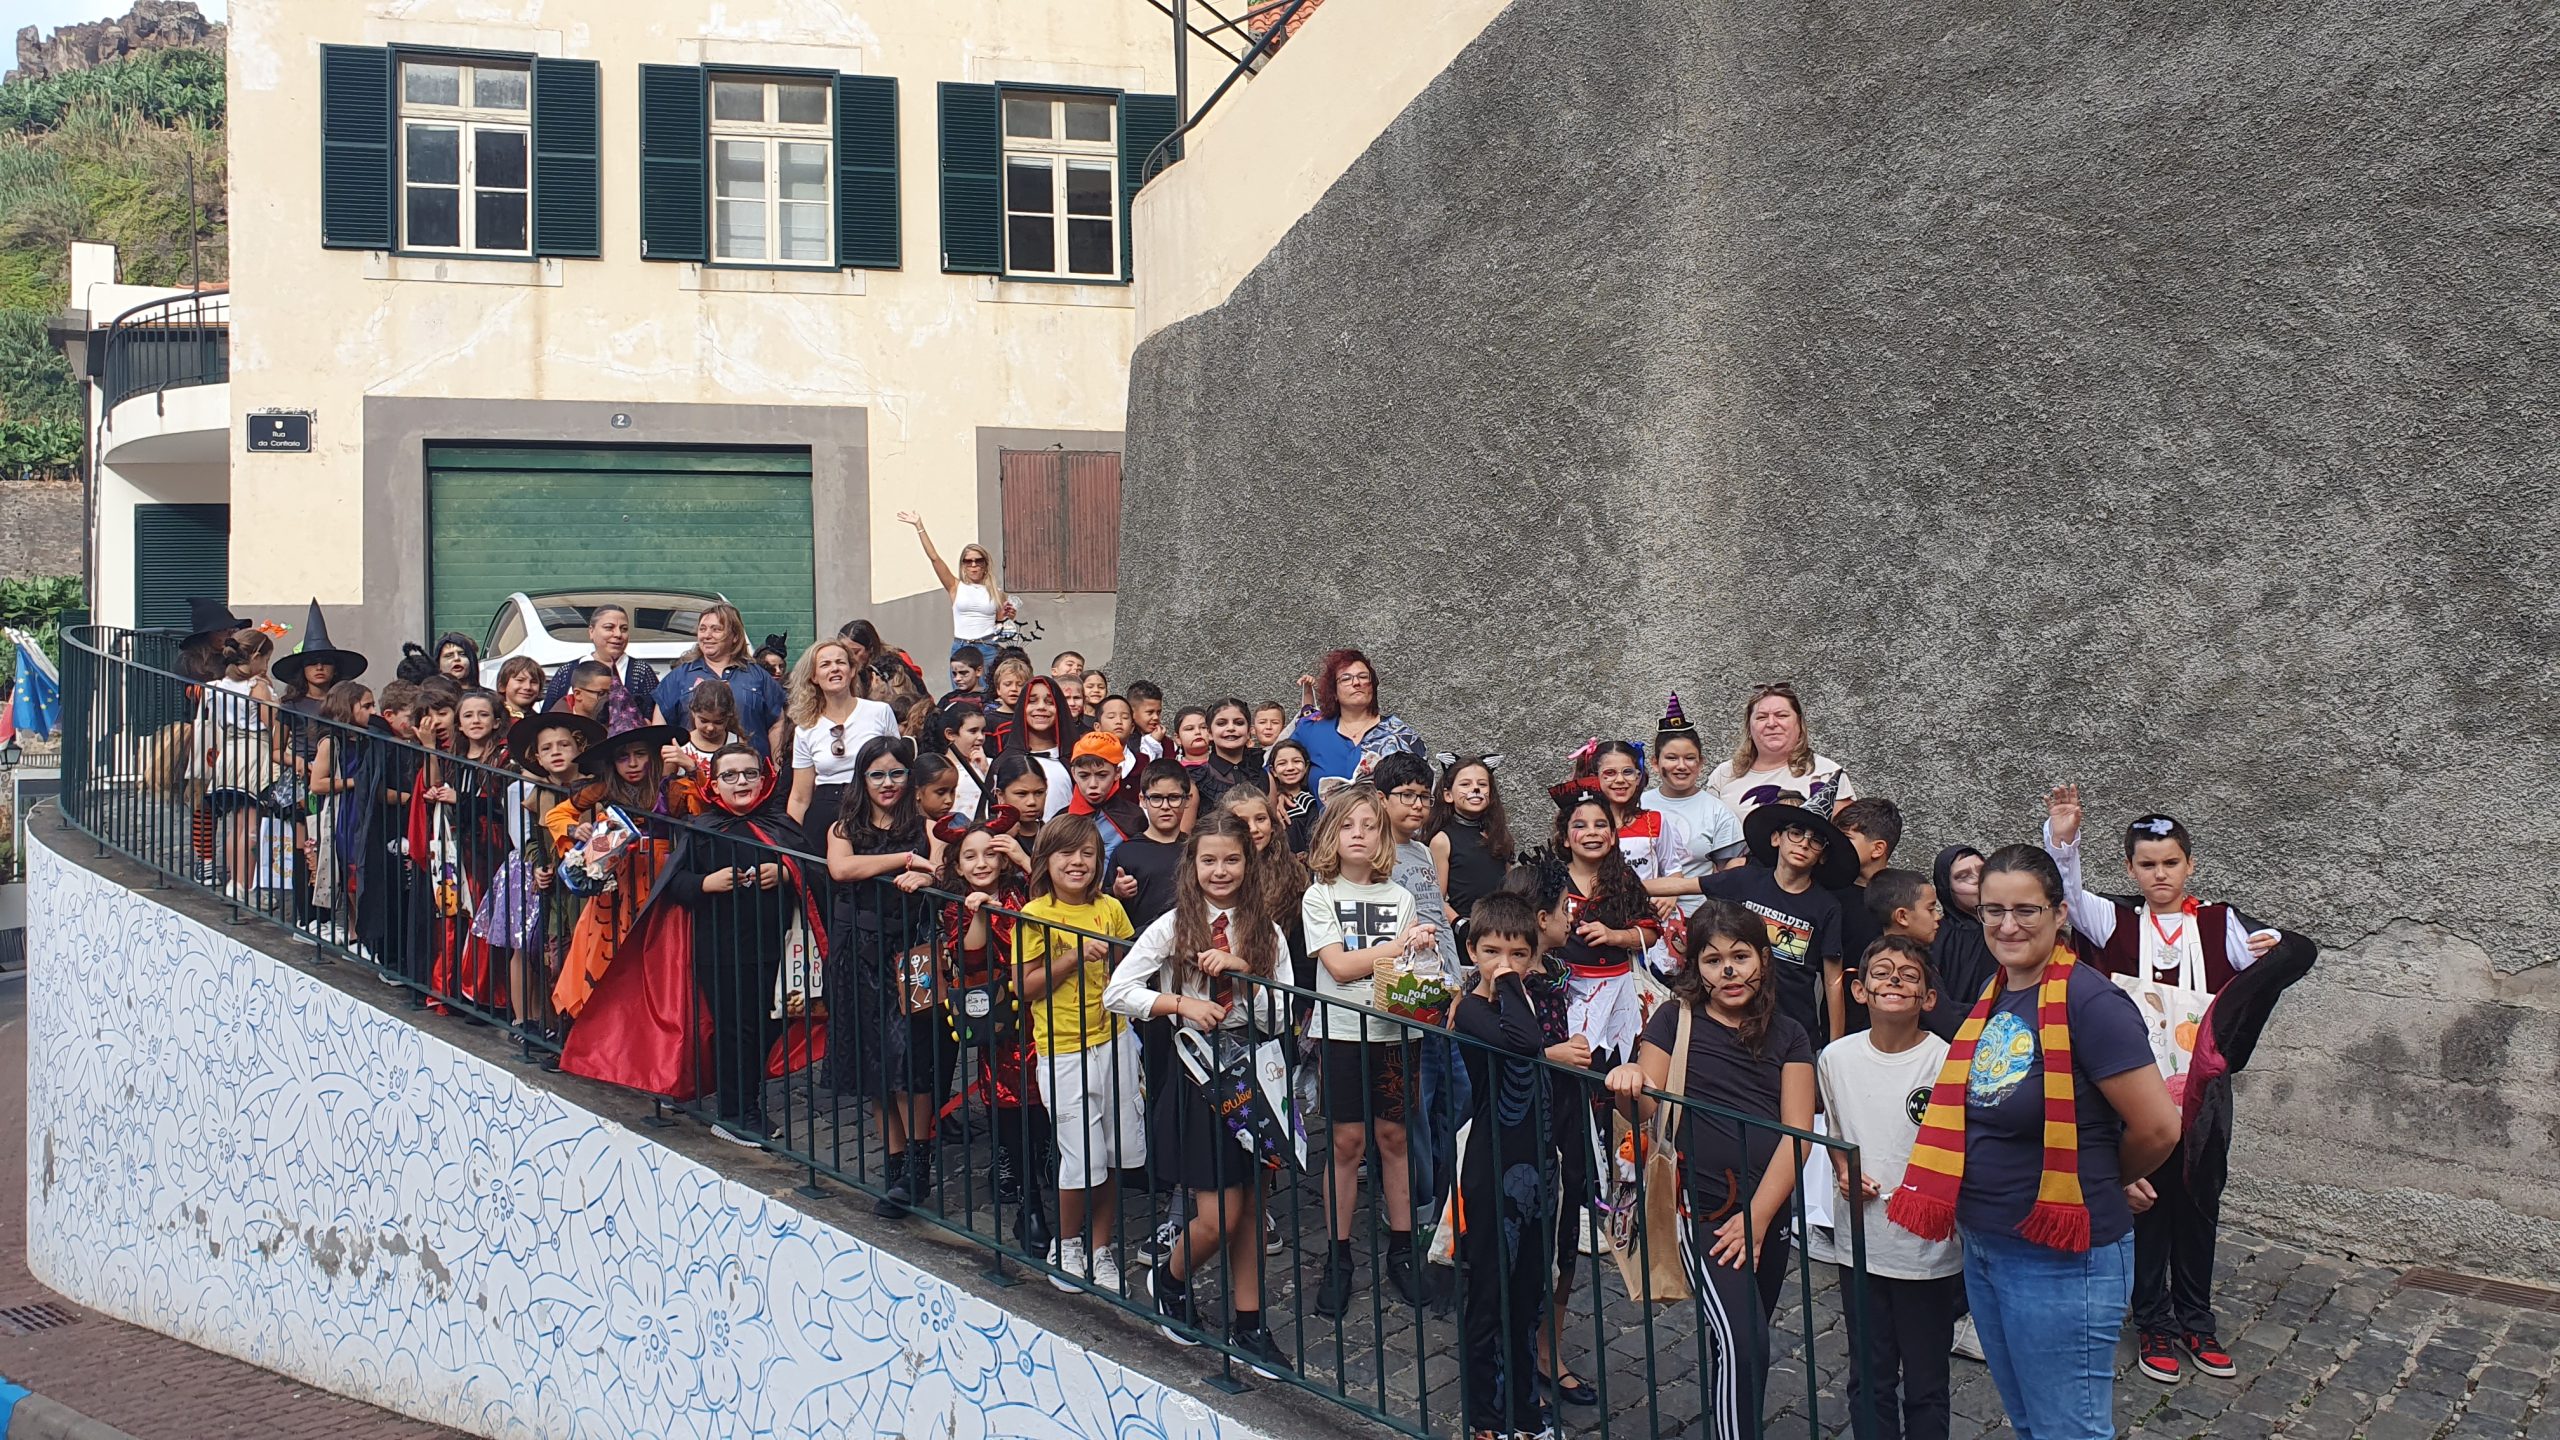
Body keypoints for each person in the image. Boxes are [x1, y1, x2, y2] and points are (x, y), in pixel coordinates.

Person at [1884, 844, 2180, 1440]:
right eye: (1994, 910)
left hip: (2060, 1260)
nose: (2007, 925)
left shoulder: (2090, 1002)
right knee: (2028, 1421)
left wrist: (2107, 1175)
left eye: (2026, 910)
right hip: (1988, 1245)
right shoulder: (1998, 998)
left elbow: (2159, 1127)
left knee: (2066, 1429)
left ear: (2059, 912)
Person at [2043, 785, 2283, 1388]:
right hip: (2134, 1089)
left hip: (2202, 1094)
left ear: (2189, 864)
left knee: (2199, 1203)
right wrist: (2065, 838)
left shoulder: (2222, 922)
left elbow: (2272, 959)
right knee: (2145, 1201)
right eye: (2147, 864)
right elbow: (2066, 893)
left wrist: (2269, 952)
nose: (2159, 874)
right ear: (2130, 868)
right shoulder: (2114, 919)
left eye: (2170, 862)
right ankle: (2151, 1318)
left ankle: (2196, 1318)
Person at [1606, 900, 1817, 1440]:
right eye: (1713, 959)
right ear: (1695, 968)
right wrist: (1629, 1082)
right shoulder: (1674, 1019)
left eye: (1740, 956)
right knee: (1744, 1342)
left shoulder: (1790, 1033)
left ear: (1764, 961)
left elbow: (1799, 1137)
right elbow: (1645, 1105)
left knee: (1746, 1337)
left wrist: (1761, 1217)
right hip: (1699, 1208)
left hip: (1767, 1210)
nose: (1728, 971)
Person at [1102, 811, 1293, 1376]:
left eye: (1232, 859)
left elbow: (1283, 1012)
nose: (1221, 870)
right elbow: (1119, 990)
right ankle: (1171, 1276)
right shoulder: (1172, 925)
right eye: (1209, 859)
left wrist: (1245, 972)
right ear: (1193, 864)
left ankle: (1250, 1322)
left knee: (1252, 1210)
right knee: (1218, 1216)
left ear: (1248, 862)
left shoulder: (1266, 931)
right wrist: (1181, 1003)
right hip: (1196, 1075)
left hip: (1253, 1071)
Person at [1818, 937, 1962, 1440]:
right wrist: (1842, 1169)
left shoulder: (1948, 1063)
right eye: (1882, 972)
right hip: (1860, 1245)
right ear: (1860, 990)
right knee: (1869, 1375)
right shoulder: (1835, 1059)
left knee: (1926, 1381)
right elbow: (1835, 1132)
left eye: (1909, 974)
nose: (1894, 980)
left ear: (1927, 997)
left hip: (1927, 1251)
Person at [1303, 784, 1436, 1317]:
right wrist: (1398, 945)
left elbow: (1399, 971)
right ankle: (1339, 1256)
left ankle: (1403, 1251)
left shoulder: (1399, 898)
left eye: (1369, 826)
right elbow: (1338, 966)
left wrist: (1416, 948)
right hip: (1342, 1031)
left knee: (1394, 1137)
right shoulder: (1320, 895)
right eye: (1348, 826)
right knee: (1345, 1142)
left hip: (1395, 1034)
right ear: (1332, 837)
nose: (1359, 835)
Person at [1449, 891, 1561, 1440]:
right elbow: (1524, 1045)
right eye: (1491, 952)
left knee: (1528, 1297)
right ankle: (1485, 1420)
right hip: (1494, 1169)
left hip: (1542, 1166)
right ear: (1471, 952)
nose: (1504, 964)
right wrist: (1511, 985)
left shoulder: (1535, 999)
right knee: (1490, 1297)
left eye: (1518, 954)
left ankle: (1525, 1415)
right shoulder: (1471, 1008)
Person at [543, 723, 706, 1100]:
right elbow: (557, 815)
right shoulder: (602, 790)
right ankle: (596, 1050)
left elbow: (708, 803)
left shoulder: (675, 788)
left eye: (639, 754)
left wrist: (692, 769)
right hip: (614, 887)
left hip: (660, 886)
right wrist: (575, 829)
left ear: (652, 756)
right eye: (622, 757)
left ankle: (652, 1059)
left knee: (655, 975)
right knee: (599, 965)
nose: (632, 764)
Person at [1017, 812, 1142, 1292]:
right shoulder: (1034, 916)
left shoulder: (1110, 907)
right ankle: (1067, 1243)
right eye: (1067, 854)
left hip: (1113, 1038)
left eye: (1088, 854)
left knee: (1111, 1150)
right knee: (1079, 1154)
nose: (1078, 863)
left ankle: (1100, 1248)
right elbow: (1026, 986)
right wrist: (1072, 957)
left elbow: (1126, 960)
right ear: (1046, 860)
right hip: (1063, 1047)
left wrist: (1116, 965)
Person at [676, 743, 825, 1144]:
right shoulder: (701, 827)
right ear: (714, 783)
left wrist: (785, 873)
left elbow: (814, 871)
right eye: (730, 775)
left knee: (763, 1027)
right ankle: (735, 1111)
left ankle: (748, 1102)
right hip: (720, 949)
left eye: (749, 774)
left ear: (764, 778)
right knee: (732, 1029)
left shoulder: (780, 824)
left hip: (772, 946)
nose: (741, 782)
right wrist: (708, 883)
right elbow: (675, 883)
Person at [823, 736, 941, 1217]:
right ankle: (895, 1170)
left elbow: (942, 868)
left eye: (896, 773)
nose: (887, 783)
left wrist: (927, 872)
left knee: (909, 1058)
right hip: (856, 952)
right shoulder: (842, 825)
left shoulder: (928, 825)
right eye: (877, 774)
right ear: (862, 779)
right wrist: (906, 861)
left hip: (912, 952)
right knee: (872, 1062)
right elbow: (842, 868)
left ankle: (918, 1163)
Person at [934, 809, 1047, 1252]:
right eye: (969, 857)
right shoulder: (955, 906)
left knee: (1046, 1099)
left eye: (989, 854)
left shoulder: (1025, 888)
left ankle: (1040, 1164)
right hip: (1001, 1018)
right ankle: (1030, 1203)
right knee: (1010, 1098)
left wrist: (1022, 857)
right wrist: (980, 914)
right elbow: (972, 958)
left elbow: (1061, 891)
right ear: (958, 866)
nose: (980, 864)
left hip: (1045, 1007)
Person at [1375, 752, 1465, 1236]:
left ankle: (1450, 1192)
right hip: (1410, 998)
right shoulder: (1374, 852)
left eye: (1422, 797)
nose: (1417, 806)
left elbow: (1437, 918)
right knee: (1417, 1107)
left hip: (1445, 990)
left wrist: (1456, 982)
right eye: (1405, 796)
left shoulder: (1425, 850)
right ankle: (1420, 1205)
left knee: (1456, 1097)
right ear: (1381, 800)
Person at [1704, 801, 1855, 1046]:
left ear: (1823, 855)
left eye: (1815, 840)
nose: (1804, 843)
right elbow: (1684, 886)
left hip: (1793, 1025)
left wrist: (1835, 1047)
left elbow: (1832, 980)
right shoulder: (1747, 880)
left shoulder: (1827, 906)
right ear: (1776, 838)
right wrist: (1626, 889)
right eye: (1796, 833)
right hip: (1737, 1018)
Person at [787, 638, 900, 826]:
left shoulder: (880, 712)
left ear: (852, 670)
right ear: (814, 677)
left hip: (874, 807)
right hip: (827, 812)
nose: (834, 669)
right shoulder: (805, 728)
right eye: (825, 664)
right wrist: (792, 843)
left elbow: (898, 768)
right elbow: (799, 798)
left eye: (841, 662)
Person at [655, 602, 789, 758]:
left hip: (748, 775)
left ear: (735, 636)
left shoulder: (758, 677)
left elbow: (776, 724)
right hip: (691, 777)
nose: (706, 635)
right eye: (702, 629)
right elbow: (660, 730)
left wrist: (777, 768)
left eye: (716, 629)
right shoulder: (678, 677)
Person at [1644, 694, 1747, 897]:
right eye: (1672, 758)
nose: (1681, 766)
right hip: (1637, 917)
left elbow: (1730, 877)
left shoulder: (1718, 812)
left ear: (1700, 763)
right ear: (1655, 763)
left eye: (1690, 758)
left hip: (1696, 917)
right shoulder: (1637, 805)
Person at [1705, 682, 1857, 816]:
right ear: (1749, 728)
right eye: (1761, 717)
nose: (1771, 723)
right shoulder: (1724, 775)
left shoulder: (1828, 774)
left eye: (1781, 715)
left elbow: (1847, 838)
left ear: (1799, 724)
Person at [1293, 648, 1425, 787]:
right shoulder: (1313, 731)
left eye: (1363, 677)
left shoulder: (1400, 734)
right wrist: (1284, 791)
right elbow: (1274, 767)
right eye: (1346, 678)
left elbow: (1425, 785)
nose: (1357, 683)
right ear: (1334, 693)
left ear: (1372, 687)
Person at [898, 511, 1011, 672]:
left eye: (978, 561)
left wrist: (1010, 617)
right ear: (963, 565)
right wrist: (919, 526)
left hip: (987, 647)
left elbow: (1001, 626)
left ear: (985, 564)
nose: (973, 565)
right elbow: (935, 558)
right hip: (962, 647)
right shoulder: (955, 587)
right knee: (961, 694)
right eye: (968, 561)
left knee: (989, 694)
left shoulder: (997, 592)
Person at [1831, 797, 1906, 1035]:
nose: (1837, 845)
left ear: (1878, 849)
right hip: (1837, 1020)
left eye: (1847, 839)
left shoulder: (1903, 898)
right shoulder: (1831, 895)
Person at [1428, 754, 1516, 934]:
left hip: (1501, 929)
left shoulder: (1498, 836)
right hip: (1465, 931)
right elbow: (1436, 898)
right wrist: (1460, 925)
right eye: (1465, 784)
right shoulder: (1442, 840)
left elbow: (1510, 884)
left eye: (1482, 784)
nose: (1475, 788)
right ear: (1448, 795)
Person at [540, 604, 660, 732]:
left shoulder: (641, 672)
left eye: (624, 629)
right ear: (591, 631)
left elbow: (654, 722)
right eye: (609, 628)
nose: (618, 634)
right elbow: (546, 721)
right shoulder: (567, 672)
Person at [1928, 846, 1995, 1045]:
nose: (1977, 879)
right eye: (1963, 876)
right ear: (1947, 889)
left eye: (1983, 871)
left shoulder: (2008, 928)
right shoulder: (1937, 936)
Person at [997, 675, 1079, 817]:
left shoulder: (1075, 757)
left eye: (1049, 702)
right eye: (1032, 701)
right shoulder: (1004, 760)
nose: (1041, 707)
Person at [1065, 732, 1144, 863]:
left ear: (1117, 773)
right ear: (1073, 774)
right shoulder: (1061, 820)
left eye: (1102, 775)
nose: (1093, 785)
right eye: (1084, 776)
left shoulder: (1133, 818)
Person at [1194, 698, 1266, 811]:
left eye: (1239, 723)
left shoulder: (1263, 775)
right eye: (1221, 723)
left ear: (1249, 732)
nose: (1231, 728)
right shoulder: (1196, 779)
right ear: (1209, 733)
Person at [1268, 739, 1323, 853]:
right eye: (1282, 763)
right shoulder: (1267, 801)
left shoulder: (1309, 803)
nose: (1290, 767)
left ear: (1306, 767)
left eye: (1296, 761)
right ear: (1273, 771)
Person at [494, 655, 546, 722]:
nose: (528, 687)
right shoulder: (492, 717)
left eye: (534, 682)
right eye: (520, 680)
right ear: (502, 686)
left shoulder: (540, 723)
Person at [1126, 680, 1167, 759]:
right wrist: (1153, 742)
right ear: (1132, 712)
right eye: (1150, 712)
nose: (1156, 717)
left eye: (1158, 712)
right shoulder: (1125, 741)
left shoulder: (1165, 742)